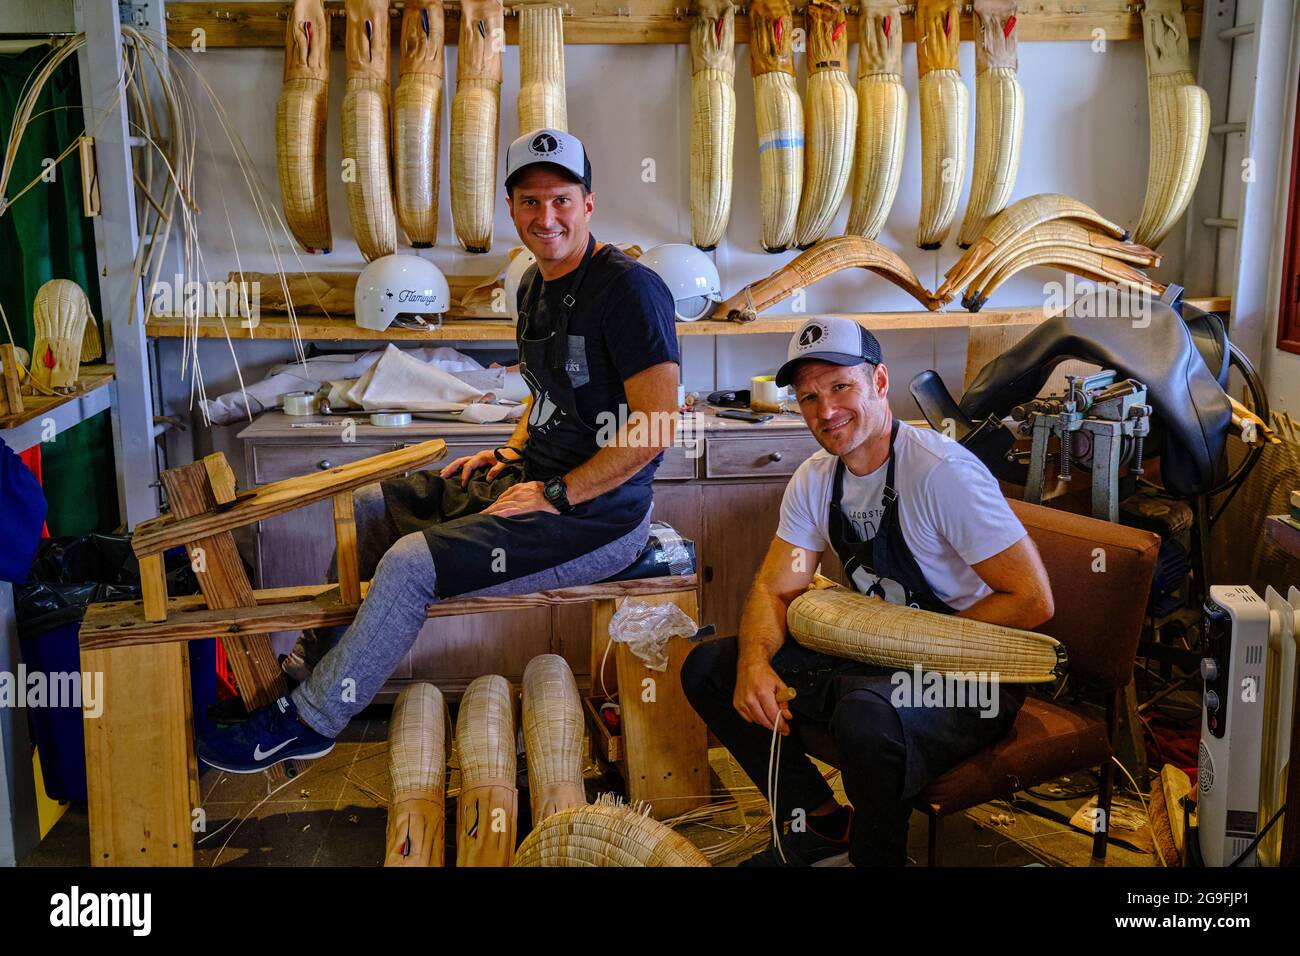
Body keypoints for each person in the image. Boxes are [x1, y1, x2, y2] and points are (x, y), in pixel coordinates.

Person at [198, 128, 681, 773]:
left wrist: (558, 491)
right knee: (373, 508)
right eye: (530, 203)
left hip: (600, 517)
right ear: (511, 209)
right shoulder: (532, 287)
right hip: (535, 482)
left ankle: (310, 723)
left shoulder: (630, 290)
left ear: (588, 204)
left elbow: (656, 426)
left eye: (561, 199)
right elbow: (542, 397)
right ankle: (308, 672)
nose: (547, 218)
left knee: (408, 565)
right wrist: (510, 453)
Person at [681, 317, 1054, 866]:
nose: (825, 410)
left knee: (866, 717)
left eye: (840, 387)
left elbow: (1032, 599)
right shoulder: (816, 477)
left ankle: (877, 858)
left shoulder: (940, 472)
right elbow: (775, 587)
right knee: (713, 667)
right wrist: (756, 662)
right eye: (808, 396)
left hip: (971, 672)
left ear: (879, 381)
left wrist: (919, 646)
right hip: (874, 658)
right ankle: (817, 824)